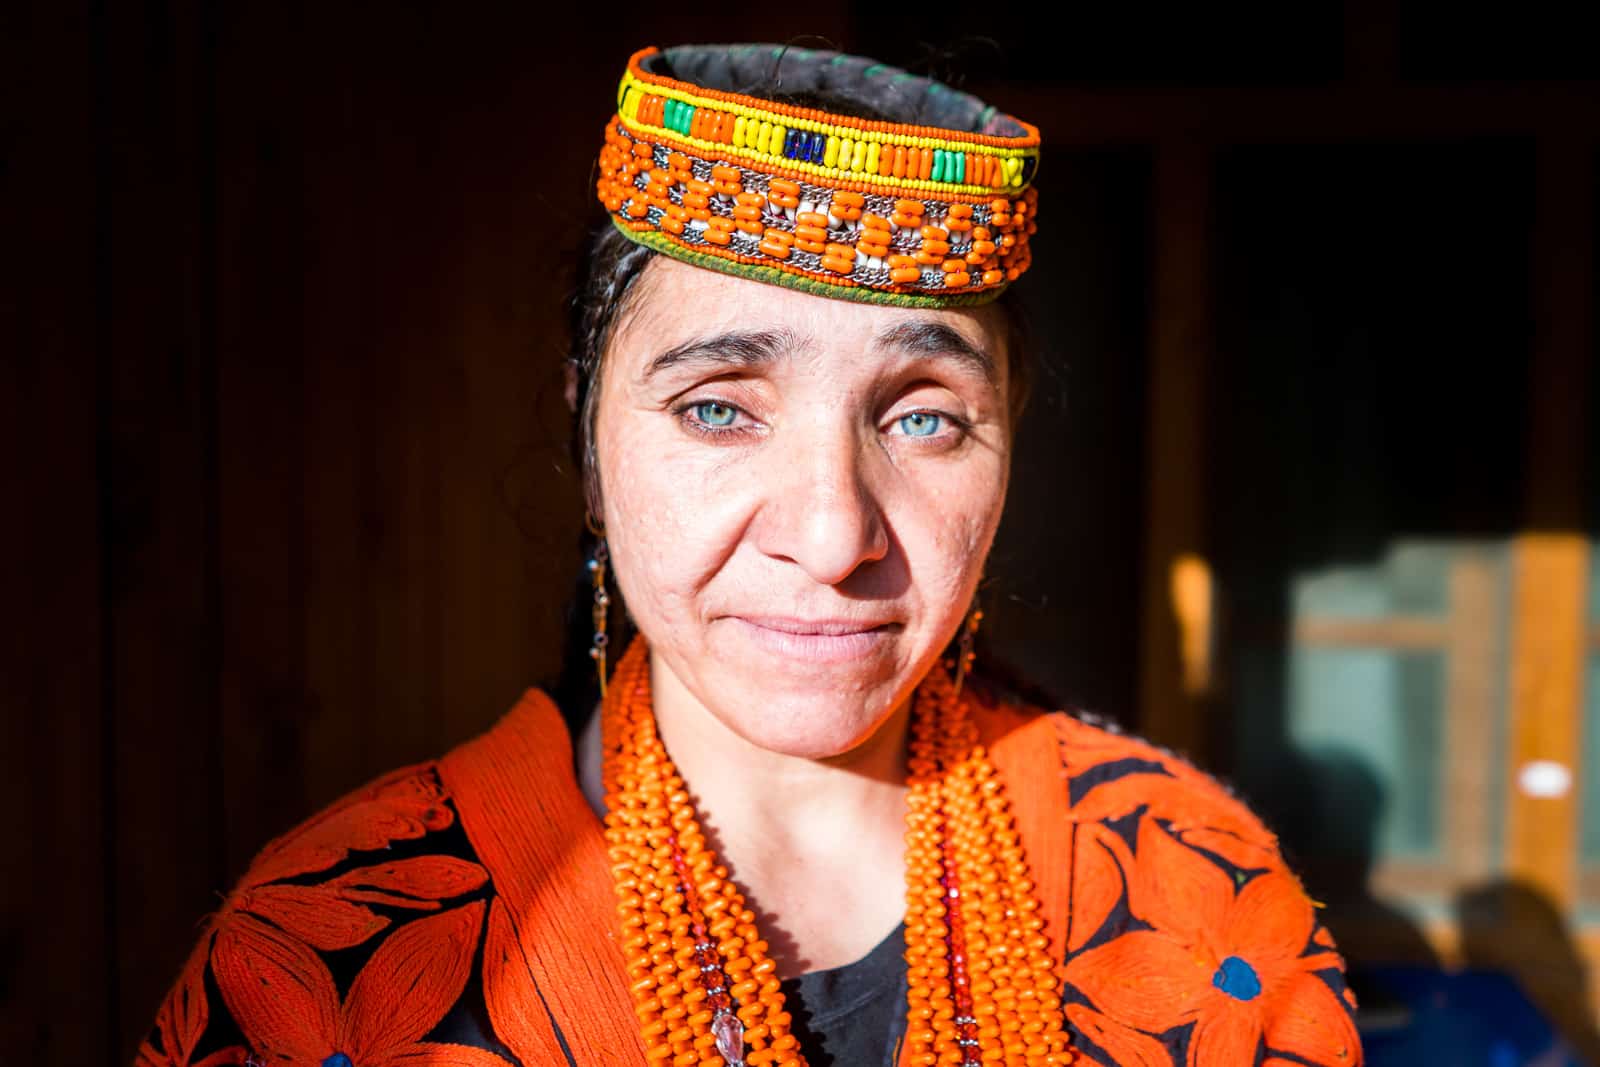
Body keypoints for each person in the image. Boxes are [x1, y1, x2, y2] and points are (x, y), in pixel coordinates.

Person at [139, 44, 1362, 1067]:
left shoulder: (1197, 898)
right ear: (586, 436)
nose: (832, 537)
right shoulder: (329, 956)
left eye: (923, 415)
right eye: (719, 406)